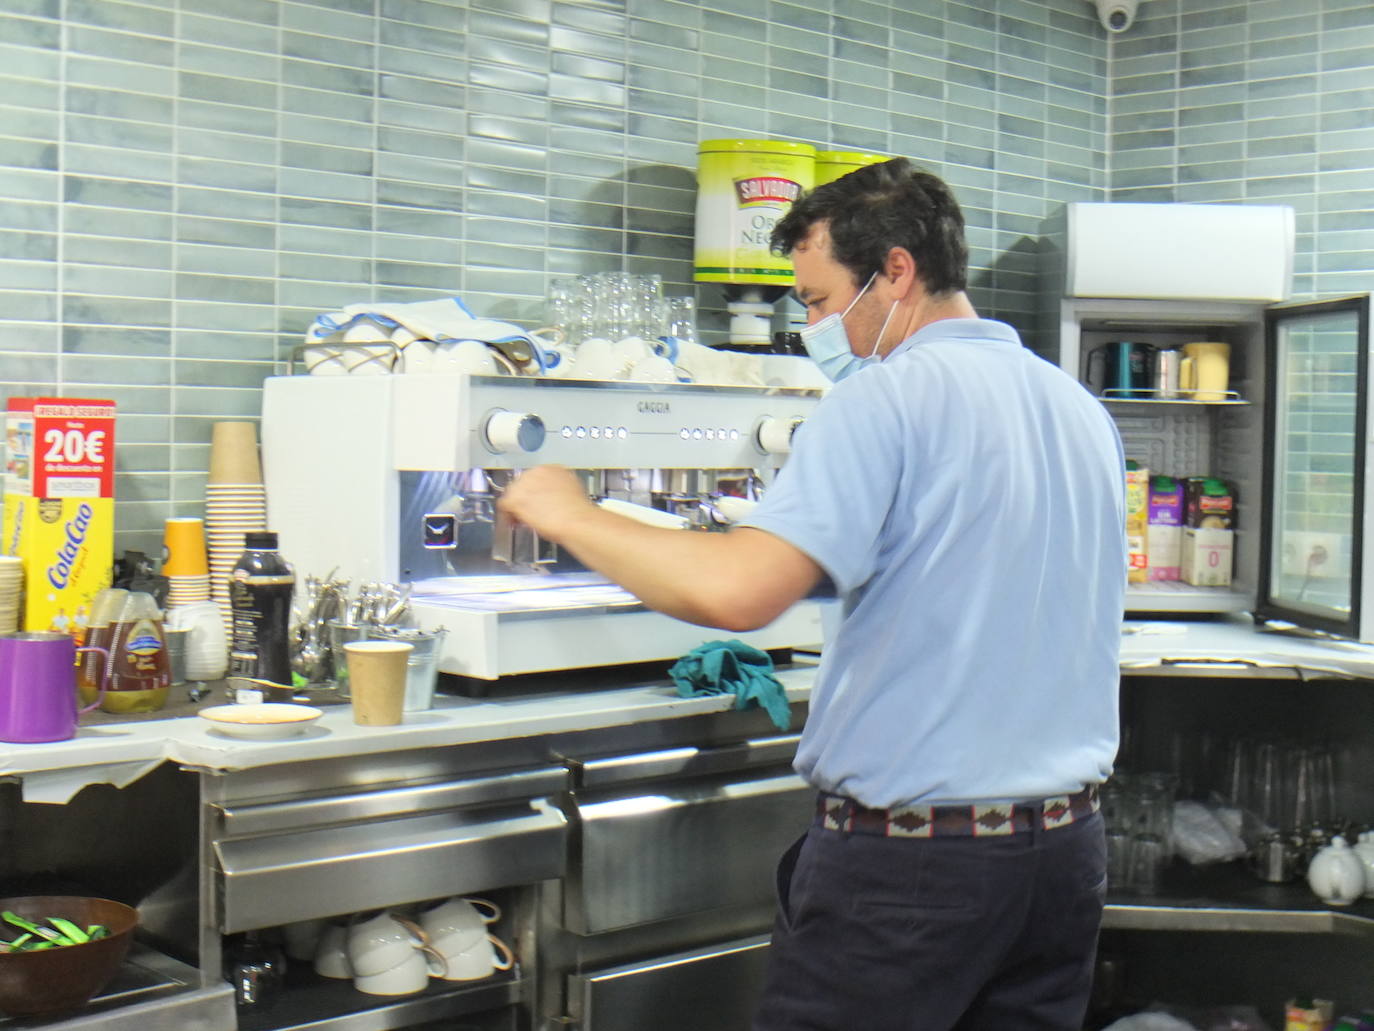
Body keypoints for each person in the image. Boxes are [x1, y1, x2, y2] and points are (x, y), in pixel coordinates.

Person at [498, 157, 1126, 1031]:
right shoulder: (1078, 408)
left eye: (822, 300)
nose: (814, 327)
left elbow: (741, 593)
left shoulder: (886, 400)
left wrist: (569, 510)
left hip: (914, 876)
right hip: (1064, 857)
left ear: (897, 271)